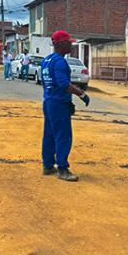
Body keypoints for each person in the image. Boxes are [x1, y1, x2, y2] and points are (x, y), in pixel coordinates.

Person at [40, 30, 91, 182]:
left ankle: (48, 165)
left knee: (49, 135)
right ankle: (63, 169)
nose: (71, 44)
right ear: (60, 44)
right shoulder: (60, 61)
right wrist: (81, 94)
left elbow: (47, 82)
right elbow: (63, 84)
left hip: (49, 101)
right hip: (58, 104)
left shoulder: (47, 60)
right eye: (68, 42)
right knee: (63, 136)